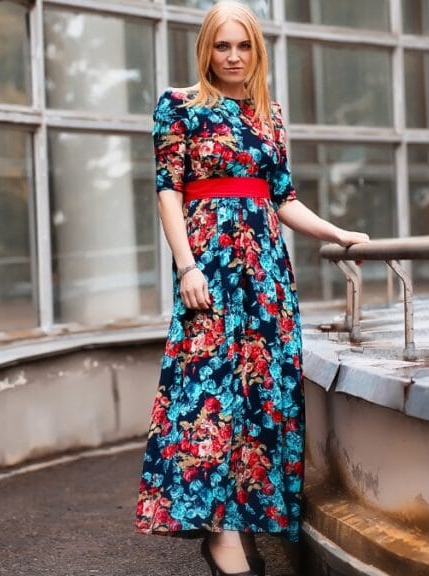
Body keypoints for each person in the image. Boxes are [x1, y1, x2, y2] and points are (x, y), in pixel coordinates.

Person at [133, 2, 370, 575]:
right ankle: (218, 533)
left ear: (257, 52)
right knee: (206, 396)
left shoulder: (270, 114)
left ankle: (240, 522)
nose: (233, 57)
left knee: (263, 394)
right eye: (223, 46)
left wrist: (336, 232)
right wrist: (187, 268)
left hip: (265, 274)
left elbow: (282, 198)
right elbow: (169, 191)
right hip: (209, 269)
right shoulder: (179, 105)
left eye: (243, 46)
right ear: (206, 50)